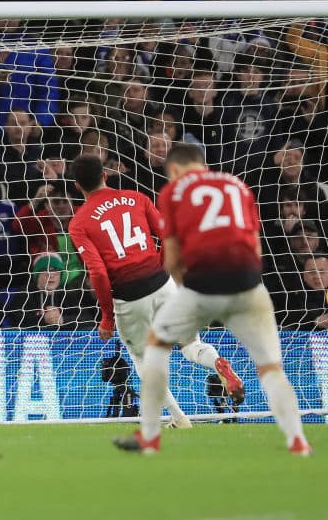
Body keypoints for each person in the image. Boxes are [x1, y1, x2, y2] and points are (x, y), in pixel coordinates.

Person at [114, 143, 311, 456]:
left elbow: (173, 257)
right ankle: (298, 441)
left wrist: (186, 292)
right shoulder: (237, 186)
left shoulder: (173, 193)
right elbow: (255, 245)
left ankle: (151, 436)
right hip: (248, 284)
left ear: (175, 170)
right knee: (270, 367)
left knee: (155, 348)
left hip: (203, 284)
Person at [67, 154, 243, 430]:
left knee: (143, 360)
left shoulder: (79, 223)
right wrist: (161, 266)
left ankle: (179, 418)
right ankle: (217, 361)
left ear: (77, 186)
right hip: (162, 283)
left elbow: (98, 273)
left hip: (129, 296)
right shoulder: (136, 198)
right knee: (190, 344)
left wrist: (107, 318)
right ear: (105, 175)